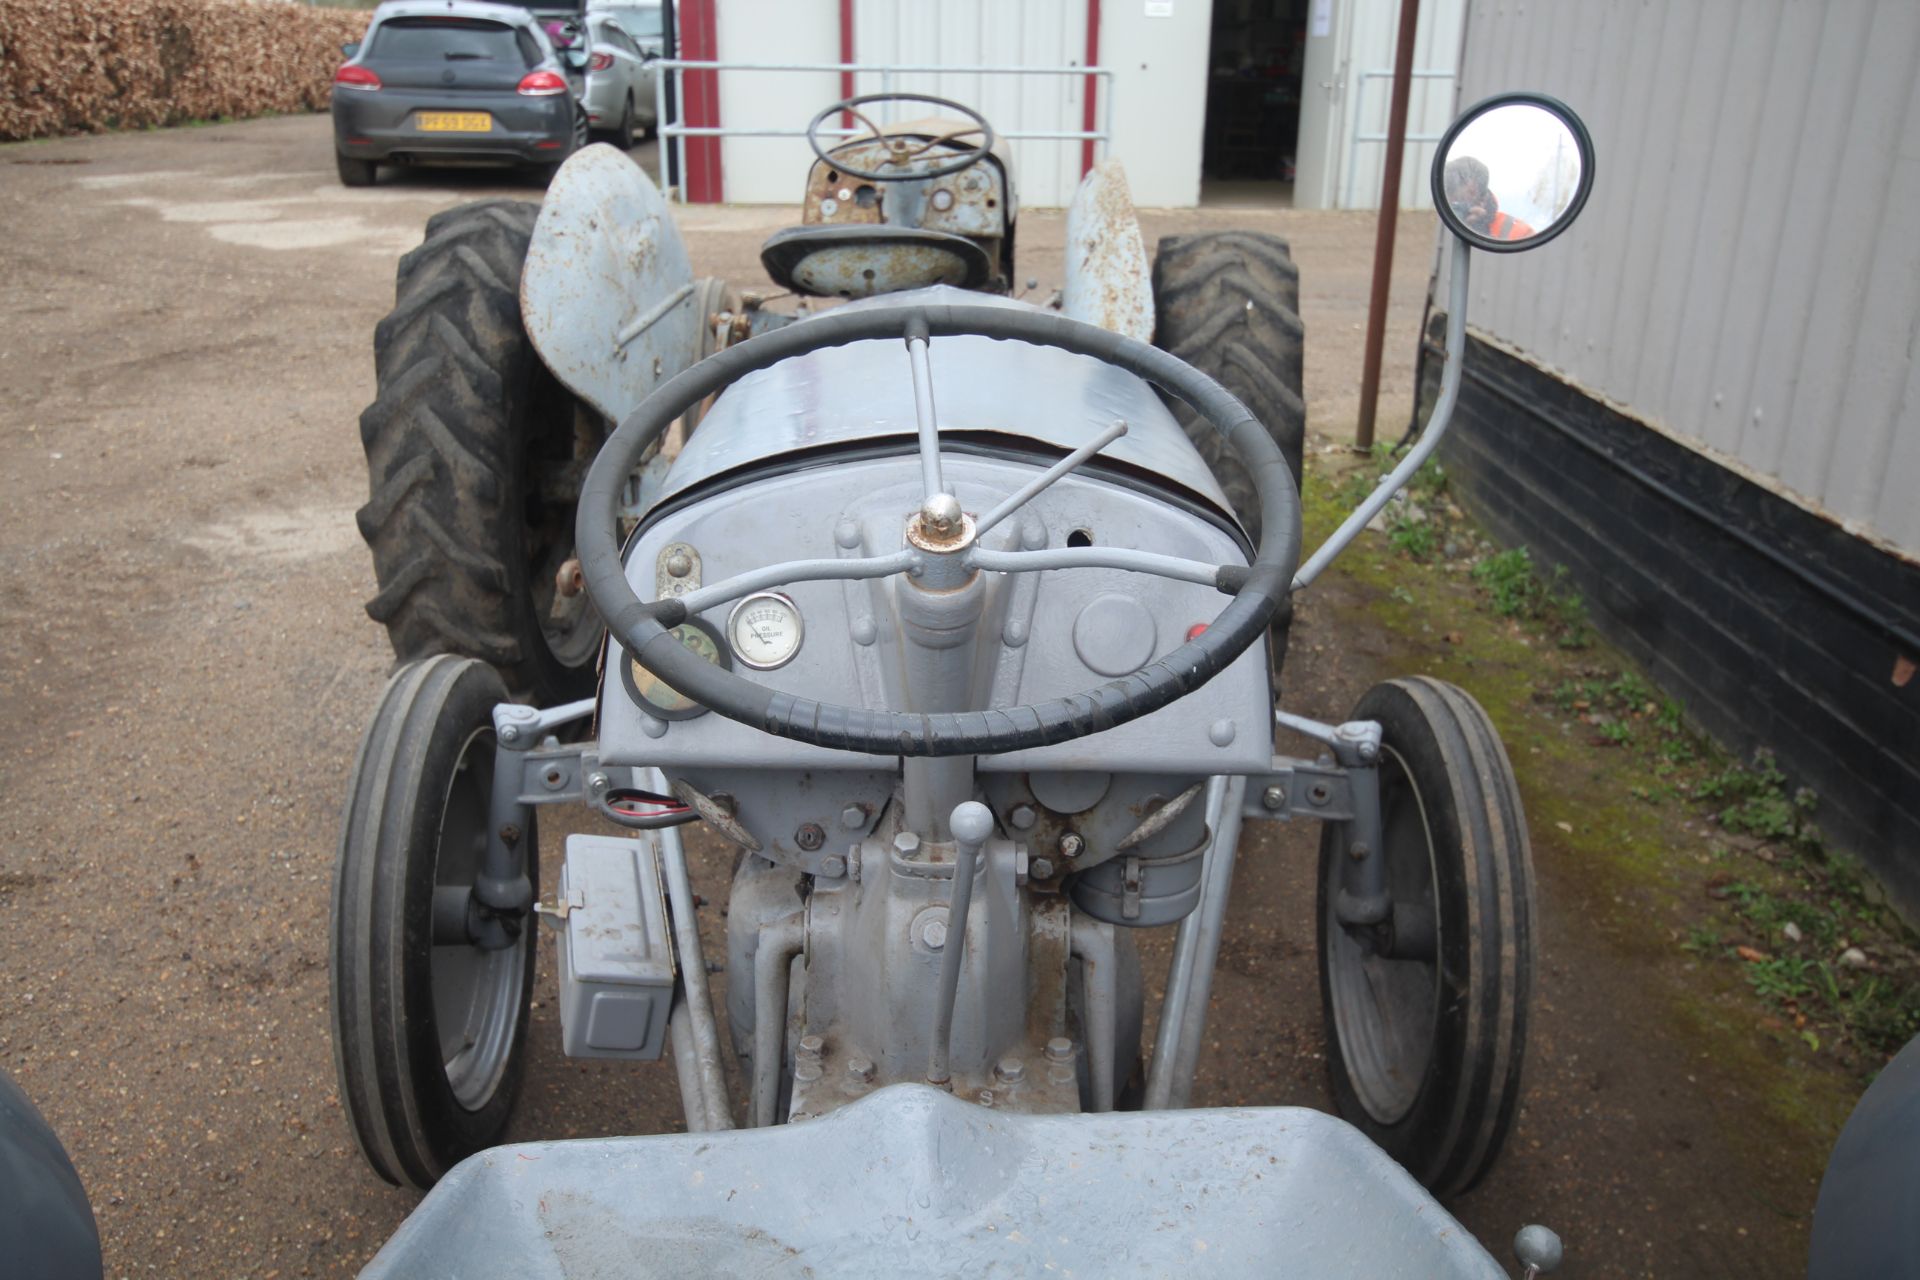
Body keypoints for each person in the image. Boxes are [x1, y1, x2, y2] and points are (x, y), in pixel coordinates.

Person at [1442, 155, 1535, 241]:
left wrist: (1481, 233)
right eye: (1451, 204)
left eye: (1461, 203)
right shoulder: (1434, 225)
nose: (1454, 210)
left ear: (1481, 199)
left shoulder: (1519, 233)